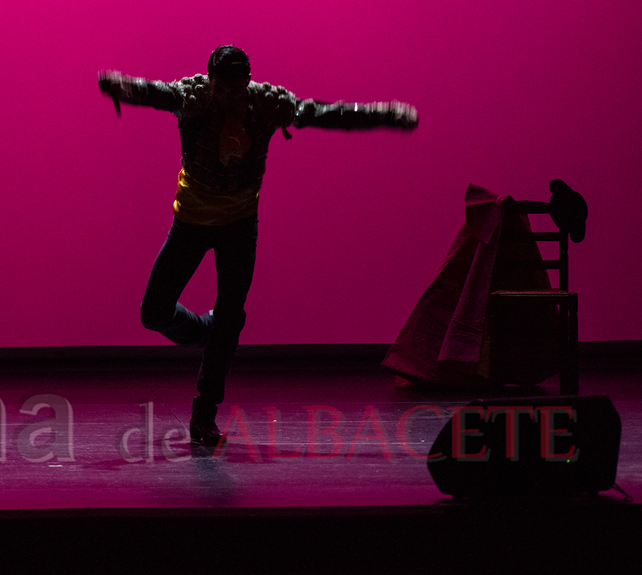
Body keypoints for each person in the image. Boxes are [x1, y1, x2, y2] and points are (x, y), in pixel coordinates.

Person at [98, 46, 418, 445]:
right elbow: (153, 93)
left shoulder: (265, 106)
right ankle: (204, 330)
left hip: (238, 226)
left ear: (246, 82)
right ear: (211, 80)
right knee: (154, 312)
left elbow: (325, 114)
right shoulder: (193, 98)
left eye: (237, 86)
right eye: (223, 87)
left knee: (232, 318)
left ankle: (205, 414)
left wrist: (385, 115)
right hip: (192, 222)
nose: (230, 95)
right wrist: (120, 86)